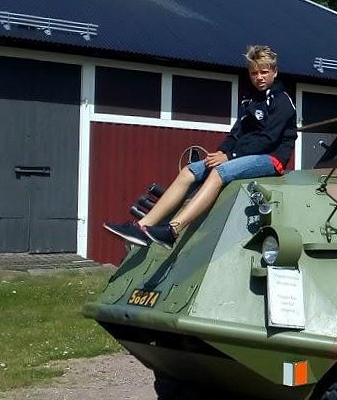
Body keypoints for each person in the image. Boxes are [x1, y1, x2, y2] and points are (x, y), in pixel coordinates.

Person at [104, 45, 297, 248]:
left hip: (271, 158)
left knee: (219, 172)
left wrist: (229, 156)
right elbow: (236, 133)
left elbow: (268, 138)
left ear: (274, 72)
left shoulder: (282, 101)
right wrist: (220, 152)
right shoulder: (249, 100)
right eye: (254, 73)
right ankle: (142, 227)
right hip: (243, 155)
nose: (259, 77)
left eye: (264, 72)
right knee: (189, 171)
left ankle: (172, 231)